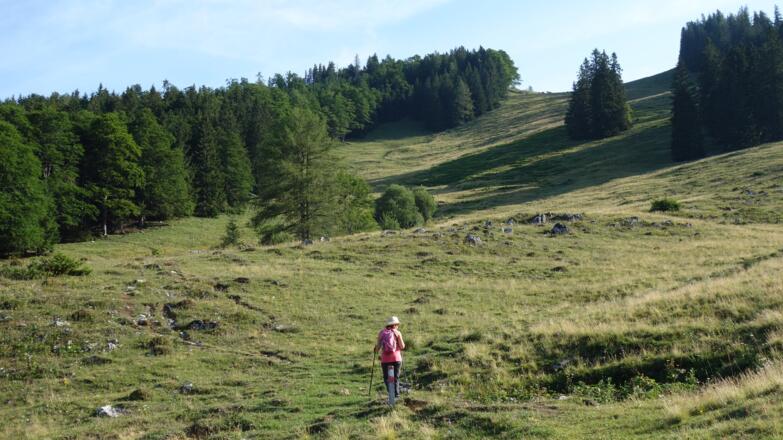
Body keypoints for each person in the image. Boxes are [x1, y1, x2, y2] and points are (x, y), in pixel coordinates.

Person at [374, 316, 405, 398]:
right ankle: (396, 395)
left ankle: (390, 394)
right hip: (396, 358)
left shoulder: (382, 333)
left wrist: (375, 349)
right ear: (395, 324)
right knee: (396, 377)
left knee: (386, 378)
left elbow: (378, 348)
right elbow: (402, 346)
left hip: (385, 359)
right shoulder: (397, 333)